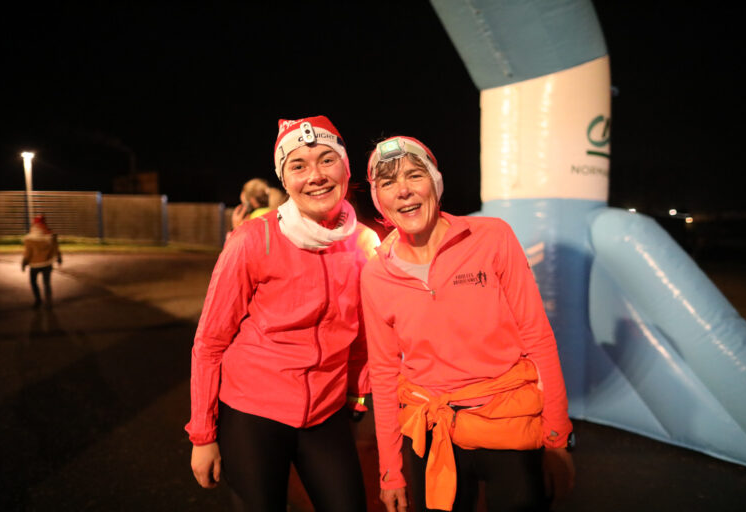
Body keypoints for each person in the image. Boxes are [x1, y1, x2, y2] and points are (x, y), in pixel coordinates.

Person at [360, 136, 575, 512]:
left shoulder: (492, 237)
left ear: (435, 183)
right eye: (388, 182)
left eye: (414, 175)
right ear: (379, 199)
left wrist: (557, 437)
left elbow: (537, 336)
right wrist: (390, 471)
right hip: (431, 433)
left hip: (509, 425)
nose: (404, 190)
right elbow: (383, 372)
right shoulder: (376, 274)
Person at [186, 115, 380, 511]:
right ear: (285, 179)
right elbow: (210, 341)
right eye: (298, 165)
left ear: (346, 169)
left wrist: (358, 393)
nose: (316, 176)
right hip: (252, 412)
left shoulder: (364, 242)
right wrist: (203, 435)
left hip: (326, 411)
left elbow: (363, 331)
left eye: (327, 160)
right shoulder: (253, 239)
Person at [22, 215, 62, 308]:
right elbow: (56, 248)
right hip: (47, 264)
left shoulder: (29, 238)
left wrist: (24, 263)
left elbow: (28, 253)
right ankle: (48, 302)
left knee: (33, 282)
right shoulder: (51, 235)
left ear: (34, 224)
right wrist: (59, 258)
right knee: (47, 284)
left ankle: (38, 300)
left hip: (34, 265)